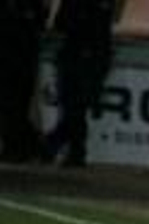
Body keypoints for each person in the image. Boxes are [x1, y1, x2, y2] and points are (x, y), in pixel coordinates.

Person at [42, 0, 114, 167]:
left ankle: (56, 145)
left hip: (80, 53)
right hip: (91, 54)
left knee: (74, 106)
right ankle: (71, 150)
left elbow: (63, 22)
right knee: (76, 108)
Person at [0, 0, 47, 163]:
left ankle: (19, 148)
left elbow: (41, 23)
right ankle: (19, 147)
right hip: (14, 61)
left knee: (16, 108)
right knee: (12, 108)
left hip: (21, 62)